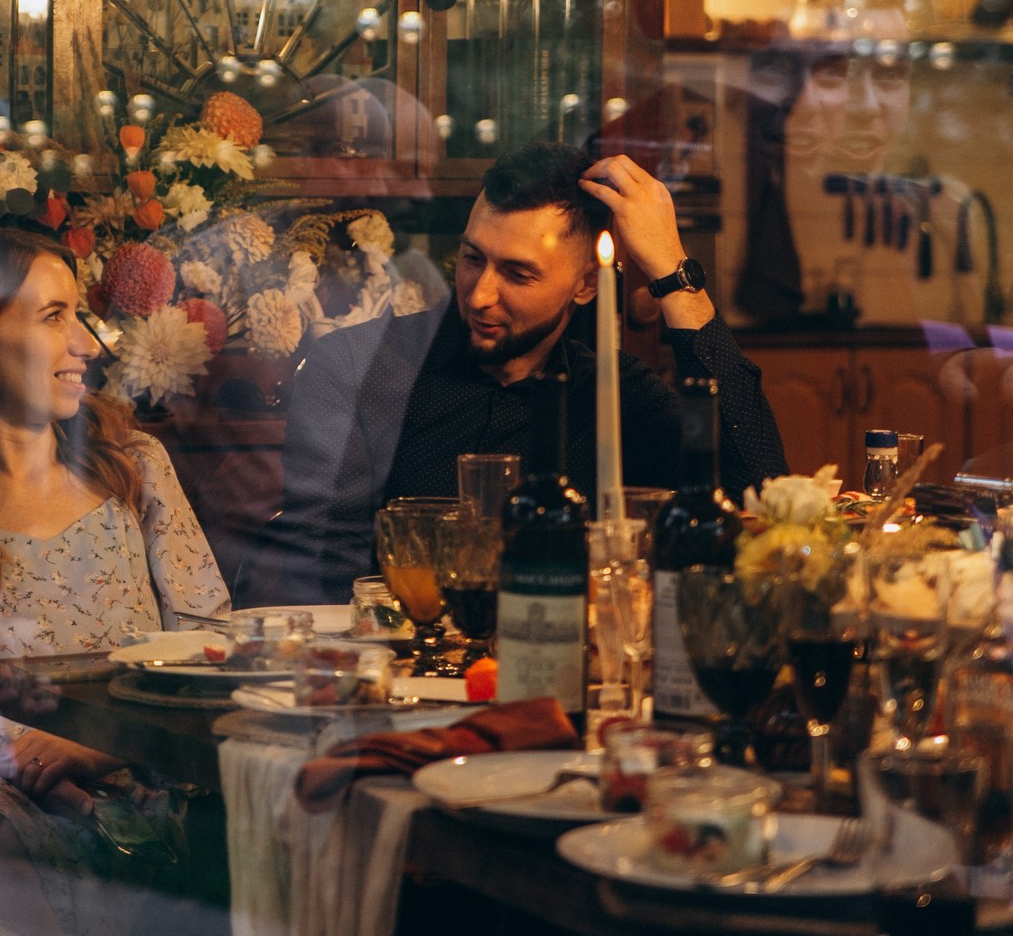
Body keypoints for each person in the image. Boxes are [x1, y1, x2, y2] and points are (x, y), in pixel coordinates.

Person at [0, 227, 229, 936]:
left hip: (133, 781)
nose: (87, 342)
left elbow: (210, 650)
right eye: (54, 318)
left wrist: (95, 747)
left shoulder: (134, 466)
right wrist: (10, 752)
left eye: (80, 314)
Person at [248, 142, 787, 606]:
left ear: (585, 286)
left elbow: (759, 494)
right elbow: (322, 571)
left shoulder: (612, 393)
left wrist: (672, 271)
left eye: (518, 274)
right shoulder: (358, 366)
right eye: (472, 258)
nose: (481, 295)